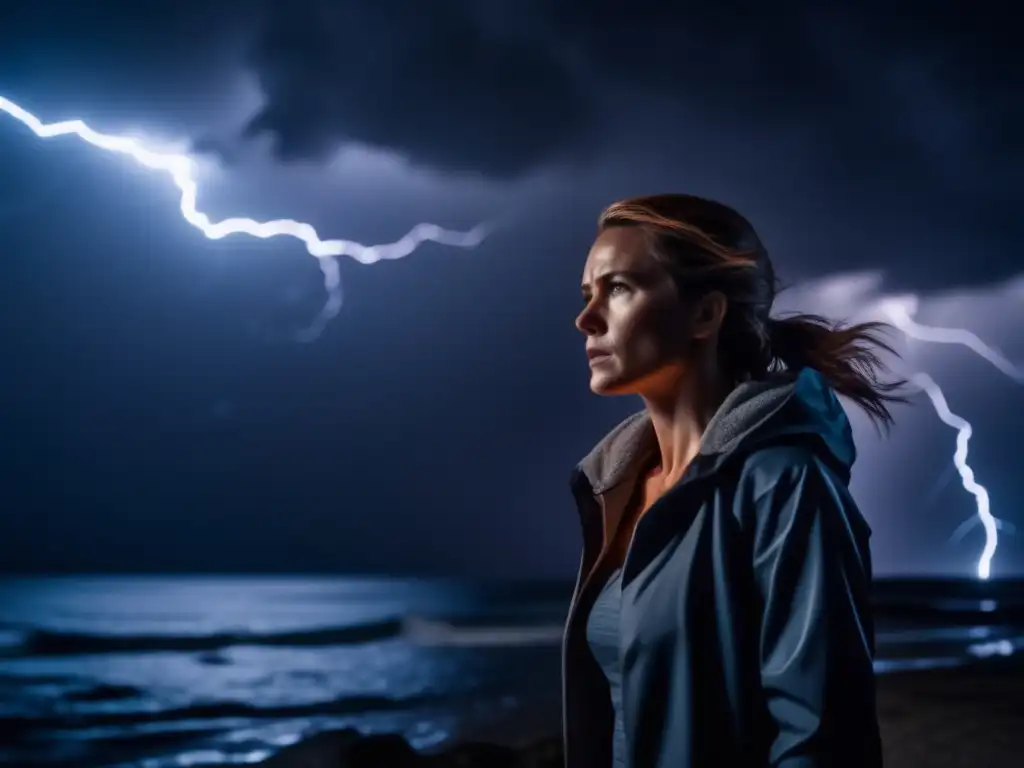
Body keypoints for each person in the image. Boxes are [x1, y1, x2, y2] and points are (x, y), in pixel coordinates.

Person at [564, 193, 904, 768]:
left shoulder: (786, 487)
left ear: (706, 314)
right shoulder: (615, 488)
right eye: (586, 294)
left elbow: (821, 741)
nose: (586, 318)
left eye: (619, 289)